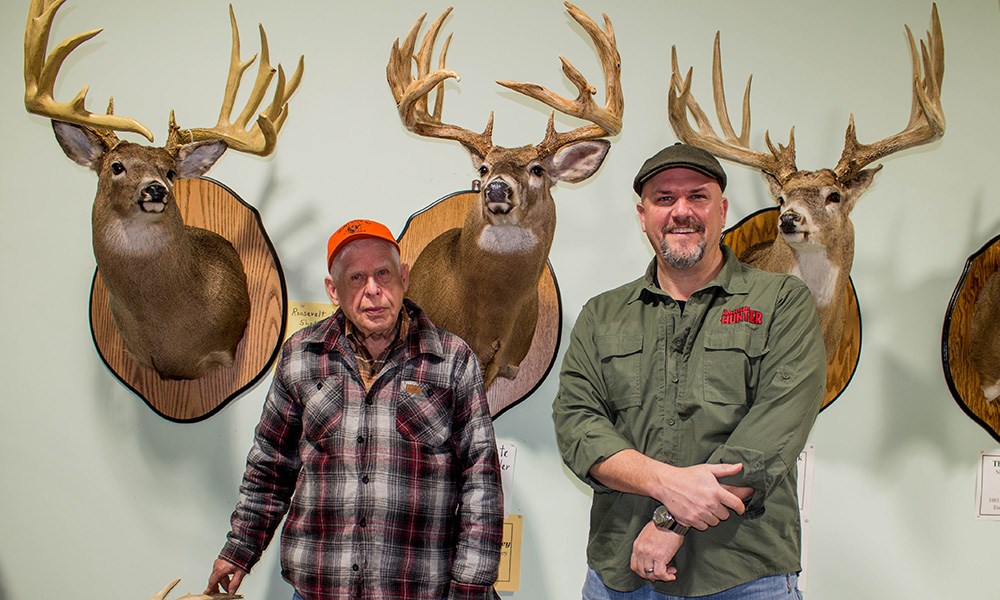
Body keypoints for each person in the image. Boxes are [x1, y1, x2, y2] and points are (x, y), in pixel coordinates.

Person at [552, 143, 826, 599]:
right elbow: (577, 424)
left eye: (697, 196)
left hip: (744, 573)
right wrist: (667, 484)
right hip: (621, 572)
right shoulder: (602, 315)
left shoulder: (782, 302)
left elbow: (776, 428)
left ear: (721, 210)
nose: (682, 211)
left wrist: (670, 520)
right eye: (664, 199)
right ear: (643, 216)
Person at [205, 219, 504, 600]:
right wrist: (240, 548)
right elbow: (270, 465)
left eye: (383, 273)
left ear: (404, 278)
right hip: (318, 588)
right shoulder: (301, 355)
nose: (373, 290)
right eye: (356, 278)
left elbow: (481, 483)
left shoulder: (452, 360)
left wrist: (471, 586)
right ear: (333, 290)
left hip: (418, 589)